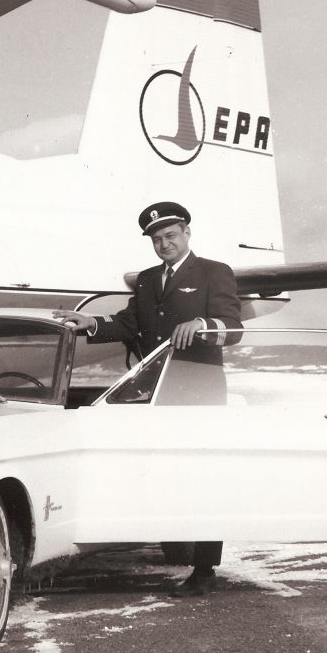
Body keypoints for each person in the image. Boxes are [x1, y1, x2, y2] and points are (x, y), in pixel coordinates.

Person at [55, 201, 242, 597]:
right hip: (156, 391)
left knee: (203, 479)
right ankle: (174, 545)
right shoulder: (145, 280)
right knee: (164, 472)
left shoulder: (213, 272)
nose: (164, 245)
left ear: (187, 233)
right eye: (157, 240)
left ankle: (205, 568)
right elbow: (129, 324)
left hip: (199, 391)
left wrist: (204, 324)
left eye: (170, 236)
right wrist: (92, 324)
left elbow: (234, 327)